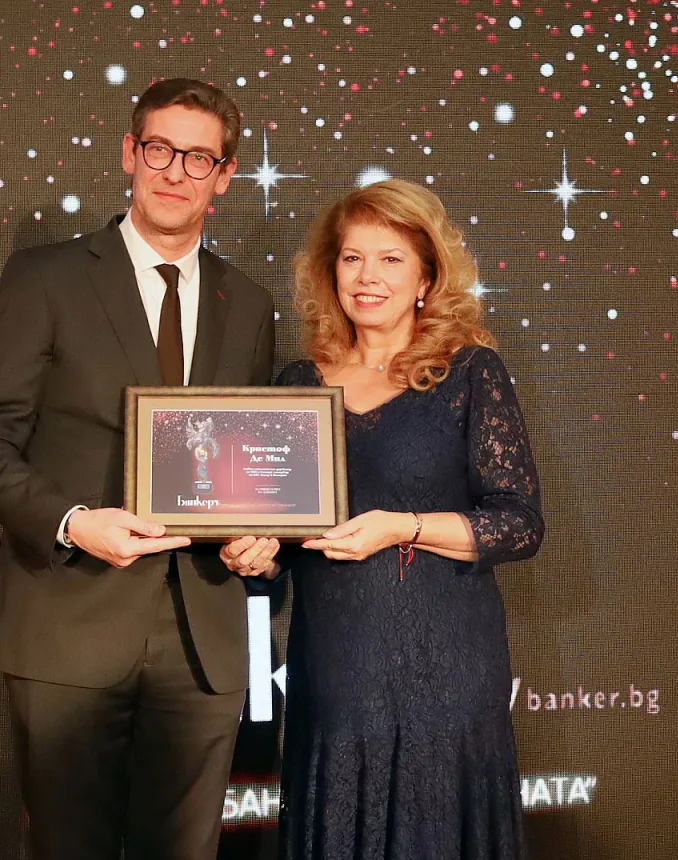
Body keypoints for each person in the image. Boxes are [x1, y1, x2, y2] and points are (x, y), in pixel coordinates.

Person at [0, 78, 276, 860]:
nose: (175, 172)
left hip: (203, 639)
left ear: (225, 175)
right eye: (160, 149)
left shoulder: (248, 302)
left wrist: (259, 533)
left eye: (199, 158)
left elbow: (245, 464)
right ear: (130, 153)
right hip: (67, 621)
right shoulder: (46, 278)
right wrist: (72, 522)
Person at [220, 179, 544, 859]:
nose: (368, 276)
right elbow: (282, 542)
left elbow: (518, 523)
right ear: (330, 271)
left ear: (426, 277)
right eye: (352, 258)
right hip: (335, 668)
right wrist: (257, 555)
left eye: (391, 259)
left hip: (445, 668)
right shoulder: (296, 385)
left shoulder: (469, 373)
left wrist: (402, 527)